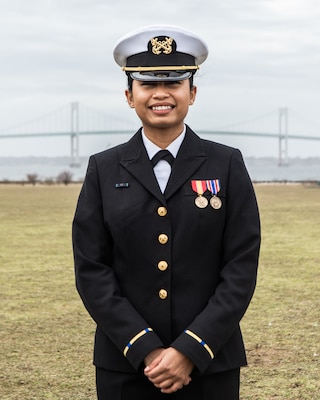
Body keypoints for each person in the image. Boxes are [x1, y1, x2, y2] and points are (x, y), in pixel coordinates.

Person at [72, 25, 261, 400]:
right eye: (148, 84)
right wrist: (146, 348)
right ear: (129, 95)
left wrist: (190, 349)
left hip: (209, 363)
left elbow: (241, 266)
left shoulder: (226, 164)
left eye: (174, 83)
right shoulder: (103, 169)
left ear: (192, 93)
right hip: (125, 364)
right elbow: (92, 269)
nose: (161, 94)